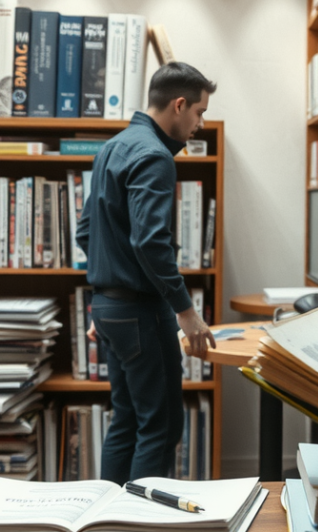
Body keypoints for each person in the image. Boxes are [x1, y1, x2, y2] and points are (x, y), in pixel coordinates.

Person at [76, 61, 217, 483]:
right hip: (139, 312)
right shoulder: (155, 156)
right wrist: (185, 310)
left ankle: (107, 520)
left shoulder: (113, 147)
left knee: (127, 421)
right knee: (161, 426)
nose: (201, 124)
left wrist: (106, 298)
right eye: (199, 112)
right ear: (178, 105)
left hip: (112, 311)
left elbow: (86, 230)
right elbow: (150, 242)